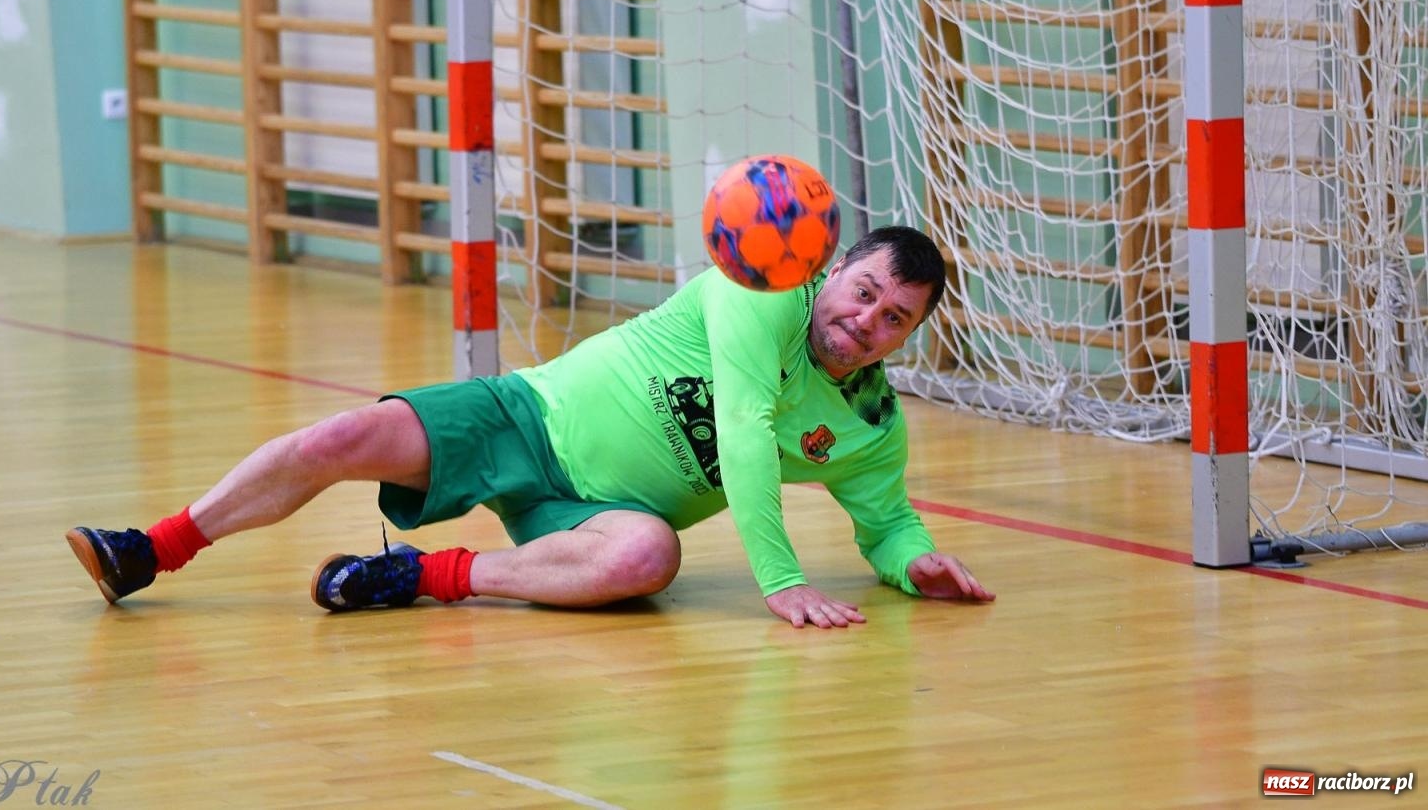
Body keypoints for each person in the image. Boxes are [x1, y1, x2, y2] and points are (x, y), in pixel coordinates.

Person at [66, 225, 994, 628]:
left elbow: (885, 520)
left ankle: (416, 577)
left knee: (647, 562)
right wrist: (782, 580)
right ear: (833, 274)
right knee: (338, 440)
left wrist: (913, 565)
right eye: (864, 292)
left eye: (893, 319)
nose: (865, 321)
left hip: (599, 513)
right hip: (525, 415)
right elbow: (746, 433)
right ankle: (154, 548)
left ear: (907, 336)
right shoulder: (761, 294)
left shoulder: (872, 423)